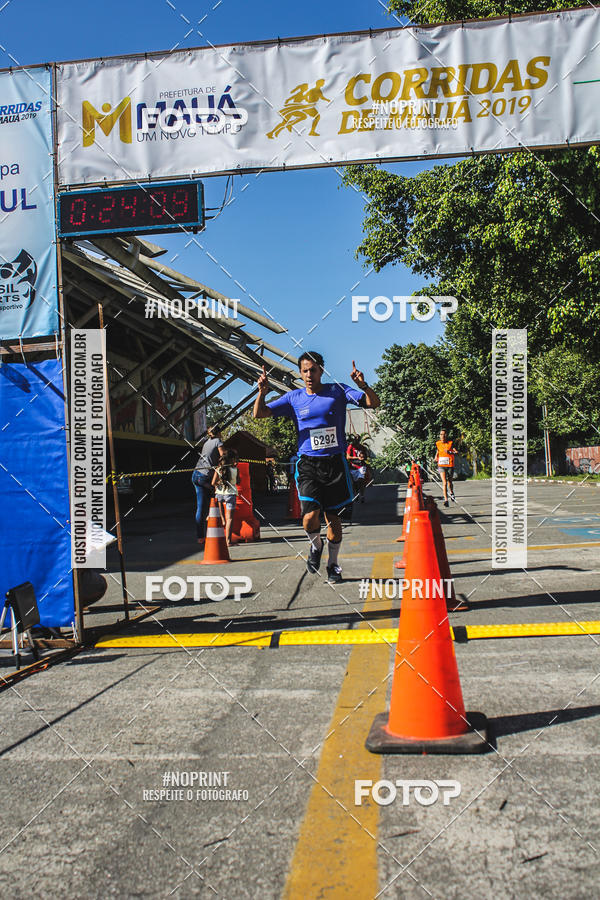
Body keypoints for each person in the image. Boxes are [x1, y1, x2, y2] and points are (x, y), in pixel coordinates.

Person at [253, 351, 380, 583]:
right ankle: (315, 545)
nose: (309, 375)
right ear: (300, 373)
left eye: (313, 370)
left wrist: (363, 385)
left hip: (335, 464)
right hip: (309, 463)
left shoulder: (338, 391)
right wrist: (261, 393)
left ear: (321, 370)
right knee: (309, 518)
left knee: (334, 519)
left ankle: (333, 565)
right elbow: (259, 414)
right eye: (304, 371)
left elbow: (373, 402)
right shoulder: (294, 398)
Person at [192, 424, 225, 545]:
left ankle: (200, 537)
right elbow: (223, 456)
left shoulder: (206, 442)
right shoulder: (218, 441)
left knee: (201, 507)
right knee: (218, 496)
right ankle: (220, 526)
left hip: (196, 474)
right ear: (219, 433)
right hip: (205, 476)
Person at [212, 448, 239, 545]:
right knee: (230, 519)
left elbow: (213, 483)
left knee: (221, 517)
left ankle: (222, 519)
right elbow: (238, 481)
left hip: (219, 494)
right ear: (232, 459)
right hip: (230, 494)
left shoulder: (218, 469)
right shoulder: (235, 469)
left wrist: (220, 482)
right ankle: (228, 541)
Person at [435, 428, 457, 507]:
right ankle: (446, 500)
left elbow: (456, 452)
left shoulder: (450, 443)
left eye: (444, 434)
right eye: (441, 434)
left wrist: (450, 452)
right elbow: (438, 451)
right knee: (444, 482)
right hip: (441, 465)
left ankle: (451, 492)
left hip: (450, 465)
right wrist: (435, 457)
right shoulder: (437, 443)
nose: (442, 436)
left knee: (449, 482)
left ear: (446, 435)